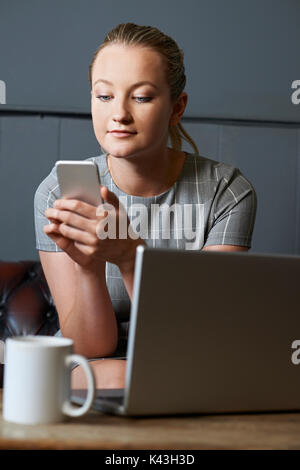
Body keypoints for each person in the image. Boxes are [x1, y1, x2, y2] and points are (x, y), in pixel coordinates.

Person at [34, 23, 257, 389]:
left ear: (176, 107)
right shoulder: (57, 193)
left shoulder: (227, 191)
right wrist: (89, 267)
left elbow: (194, 335)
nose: (118, 114)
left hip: (188, 362)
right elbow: (91, 348)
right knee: (125, 376)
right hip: (92, 368)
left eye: (141, 97)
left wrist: (129, 256)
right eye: (104, 96)